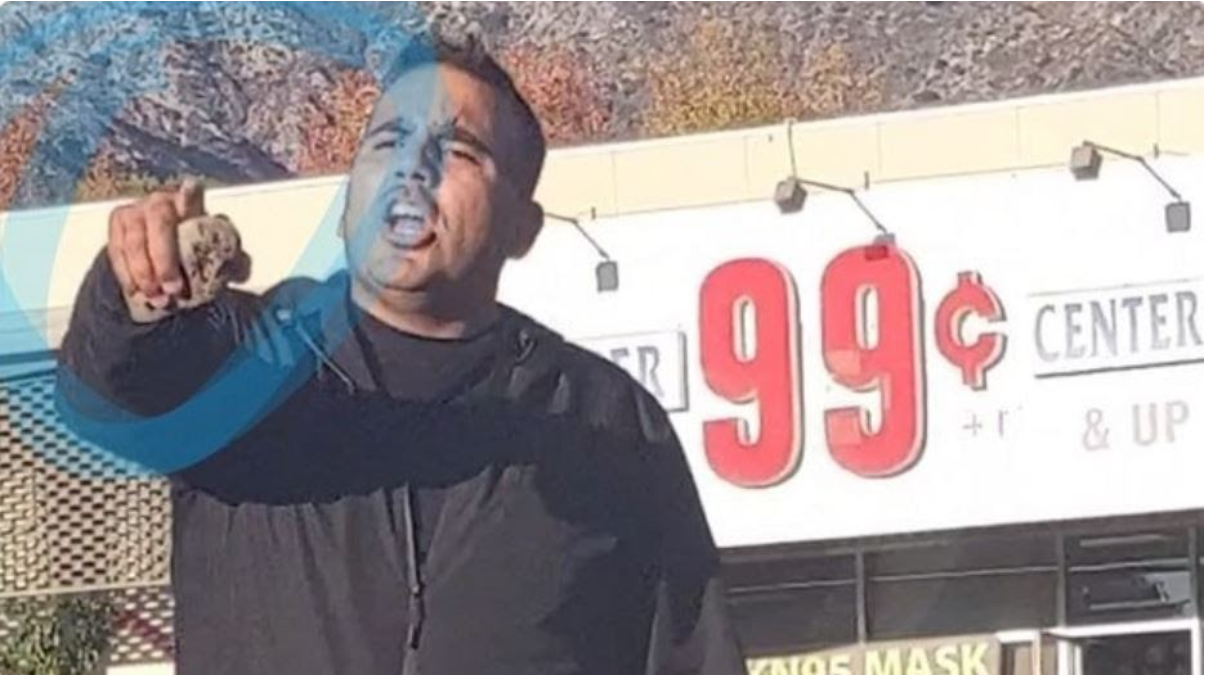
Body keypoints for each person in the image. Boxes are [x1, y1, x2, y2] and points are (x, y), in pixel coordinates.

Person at [57, 33, 745, 674]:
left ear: (522, 227)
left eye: (462, 151)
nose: (414, 169)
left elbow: (688, 654)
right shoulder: (241, 361)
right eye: (388, 142)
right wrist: (134, 295)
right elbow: (110, 386)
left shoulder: (604, 424)